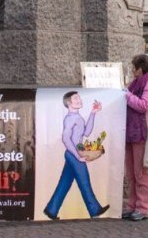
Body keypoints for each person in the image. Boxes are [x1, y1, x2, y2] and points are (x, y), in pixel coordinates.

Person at [43, 91, 109, 220]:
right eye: (76, 98)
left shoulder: (78, 117)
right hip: (74, 154)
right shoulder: (70, 119)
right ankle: (94, 210)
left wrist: (93, 113)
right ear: (69, 103)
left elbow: (87, 132)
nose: (79, 100)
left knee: (64, 183)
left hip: (74, 154)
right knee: (84, 181)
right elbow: (65, 139)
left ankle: (51, 210)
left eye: (79, 97)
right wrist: (77, 156)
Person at [122, 54, 148, 221]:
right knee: (131, 172)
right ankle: (132, 206)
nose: (132, 71)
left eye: (134, 68)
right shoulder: (136, 82)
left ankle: (143, 207)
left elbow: (146, 105)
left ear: (140, 68)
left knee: (141, 172)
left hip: (141, 132)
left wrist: (126, 95)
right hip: (130, 131)